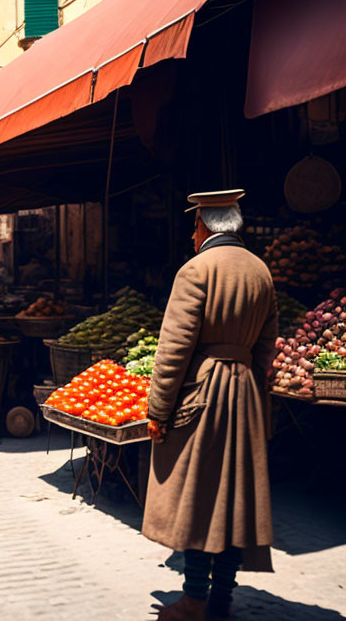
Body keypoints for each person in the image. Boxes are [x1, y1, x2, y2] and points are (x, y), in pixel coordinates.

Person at [142, 191, 278, 621]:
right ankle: (221, 600)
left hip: (202, 395)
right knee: (234, 503)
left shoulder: (196, 269)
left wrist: (159, 411)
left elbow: (173, 350)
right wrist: (253, 393)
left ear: (206, 226)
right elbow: (266, 349)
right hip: (245, 395)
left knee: (198, 500)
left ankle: (193, 602)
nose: (191, 232)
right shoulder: (261, 272)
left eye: (195, 224)